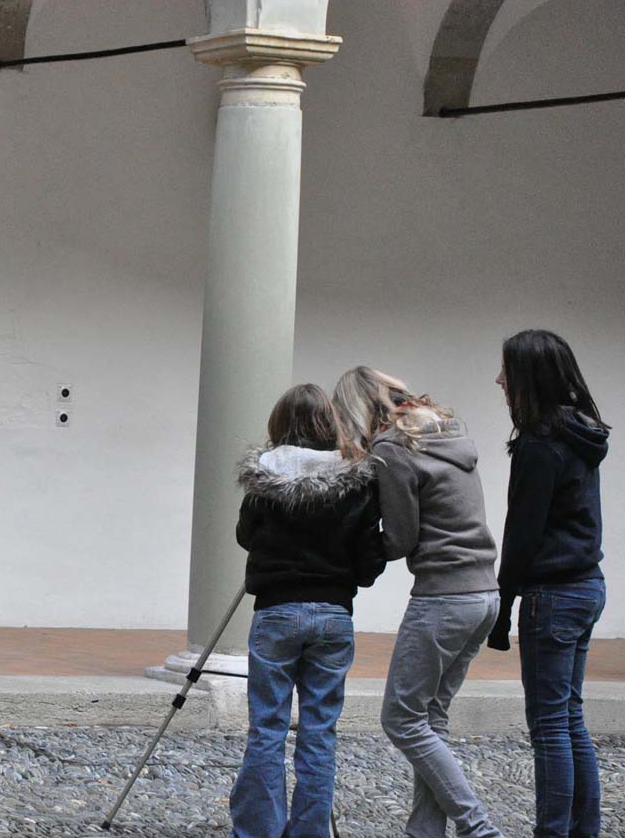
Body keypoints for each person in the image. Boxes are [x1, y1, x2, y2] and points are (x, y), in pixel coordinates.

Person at [333, 367, 506, 838]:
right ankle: (424, 832)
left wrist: (350, 544)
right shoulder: (447, 433)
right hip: (483, 594)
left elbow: (402, 538)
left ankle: (478, 828)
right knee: (429, 717)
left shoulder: (393, 448)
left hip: (443, 597)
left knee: (401, 719)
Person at [228, 384, 385, 838]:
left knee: (267, 728)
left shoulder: (265, 475)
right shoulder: (356, 478)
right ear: (330, 423)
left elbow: (245, 535)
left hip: (276, 610)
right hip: (334, 614)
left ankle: (259, 831)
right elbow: (369, 565)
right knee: (319, 731)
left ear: (279, 423)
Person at [487, 330, 609, 838]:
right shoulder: (580, 433)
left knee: (550, 726)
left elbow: (522, 534)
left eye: (507, 371)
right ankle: (584, 831)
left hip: (553, 597)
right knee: (569, 718)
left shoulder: (540, 445)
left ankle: (553, 832)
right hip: (587, 587)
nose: (499, 380)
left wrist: (502, 607)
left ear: (529, 377)